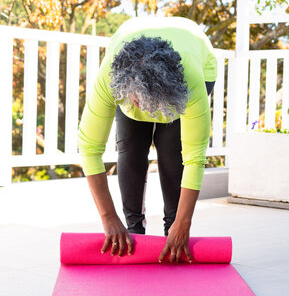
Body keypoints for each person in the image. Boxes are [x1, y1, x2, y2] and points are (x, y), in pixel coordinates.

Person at [78, 17, 217, 263]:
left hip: (190, 66)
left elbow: (195, 158)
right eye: (140, 103)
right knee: (131, 146)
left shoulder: (191, 82)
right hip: (130, 72)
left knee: (174, 150)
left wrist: (182, 223)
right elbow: (89, 149)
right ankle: (133, 232)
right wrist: (108, 217)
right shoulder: (110, 78)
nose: (148, 113)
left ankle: (172, 232)